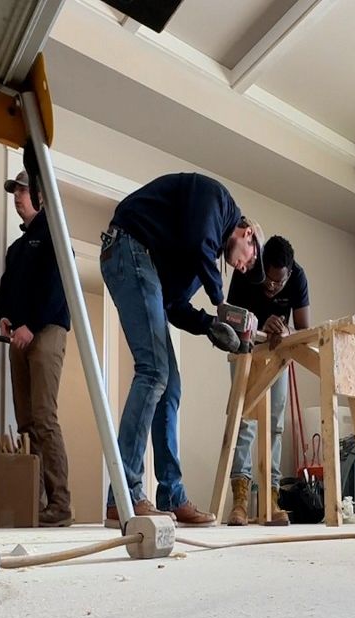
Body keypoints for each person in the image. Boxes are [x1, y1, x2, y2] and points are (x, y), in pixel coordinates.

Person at [101, 172, 261, 526]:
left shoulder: (195, 253)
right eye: (251, 258)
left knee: (169, 385)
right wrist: (221, 304)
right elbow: (198, 241)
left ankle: (171, 495)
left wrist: (209, 326)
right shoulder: (217, 201)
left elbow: (173, 305)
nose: (246, 267)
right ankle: (123, 494)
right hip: (128, 246)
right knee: (154, 371)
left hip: (143, 260)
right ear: (247, 234)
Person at [0, 170, 73, 527]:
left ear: (40, 195)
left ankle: (60, 504)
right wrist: (5, 317)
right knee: (24, 420)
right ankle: (36, 501)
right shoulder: (17, 248)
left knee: (43, 417)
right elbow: (4, 292)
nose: (17, 196)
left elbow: (58, 290)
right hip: (19, 336)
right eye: (14, 191)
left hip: (46, 333)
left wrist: (31, 324)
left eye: (23, 190)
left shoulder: (56, 237)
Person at [224, 236, 311, 526]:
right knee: (245, 420)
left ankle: (270, 500)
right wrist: (261, 324)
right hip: (245, 350)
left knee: (275, 424)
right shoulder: (246, 269)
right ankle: (240, 501)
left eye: (279, 283)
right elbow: (229, 319)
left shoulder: (298, 276)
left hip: (277, 354)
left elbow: (304, 329)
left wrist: (285, 330)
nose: (272, 287)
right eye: (268, 281)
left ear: (289, 273)